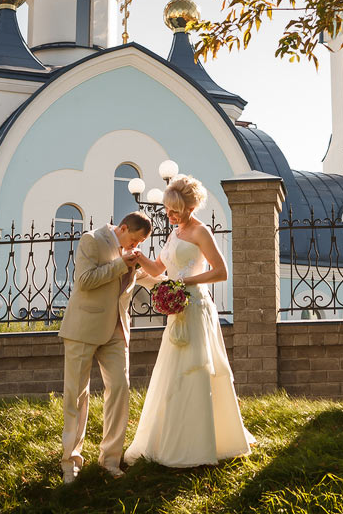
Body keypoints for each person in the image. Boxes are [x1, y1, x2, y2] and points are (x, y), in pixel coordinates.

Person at [125, 174, 255, 467]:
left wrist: (184, 283)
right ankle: (169, 438)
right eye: (168, 210)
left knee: (195, 369)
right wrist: (138, 258)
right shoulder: (175, 233)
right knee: (173, 370)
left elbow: (221, 272)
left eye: (174, 211)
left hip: (195, 306)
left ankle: (201, 444)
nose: (169, 215)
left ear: (188, 208)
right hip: (178, 307)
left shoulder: (201, 232)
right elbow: (160, 267)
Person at [58, 210, 152, 482]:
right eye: (134, 240)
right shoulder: (92, 240)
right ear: (122, 228)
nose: (135, 247)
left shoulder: (129, 251)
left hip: (116, 331)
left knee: (120, 389)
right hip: (83, 328)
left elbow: (145, 276)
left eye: (138, 244)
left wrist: (179, 283)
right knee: (76, 395)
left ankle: (110, 460)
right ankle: (70, 462)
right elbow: (85, 281)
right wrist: (121, 264)